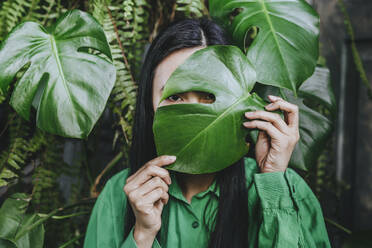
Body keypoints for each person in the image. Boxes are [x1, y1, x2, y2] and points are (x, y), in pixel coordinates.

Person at [83, 17, 331, 248]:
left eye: (209, 96)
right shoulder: (118, 195)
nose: (193, 114)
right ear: (149, 103)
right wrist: (143, 235)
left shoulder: (285, 190)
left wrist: (273, 182)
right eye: (174, 95)